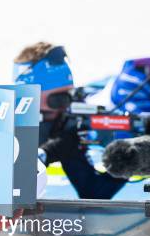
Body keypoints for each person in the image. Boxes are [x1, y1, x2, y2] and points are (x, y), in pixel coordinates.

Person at [13, 42, 129, 199]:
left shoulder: (66, 129)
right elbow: (4, 185)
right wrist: (48, 152)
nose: (66, 106)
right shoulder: (0, 125)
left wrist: (130, 157)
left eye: (70, 96)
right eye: (58, 99)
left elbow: (94, 191)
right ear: (28, 95)